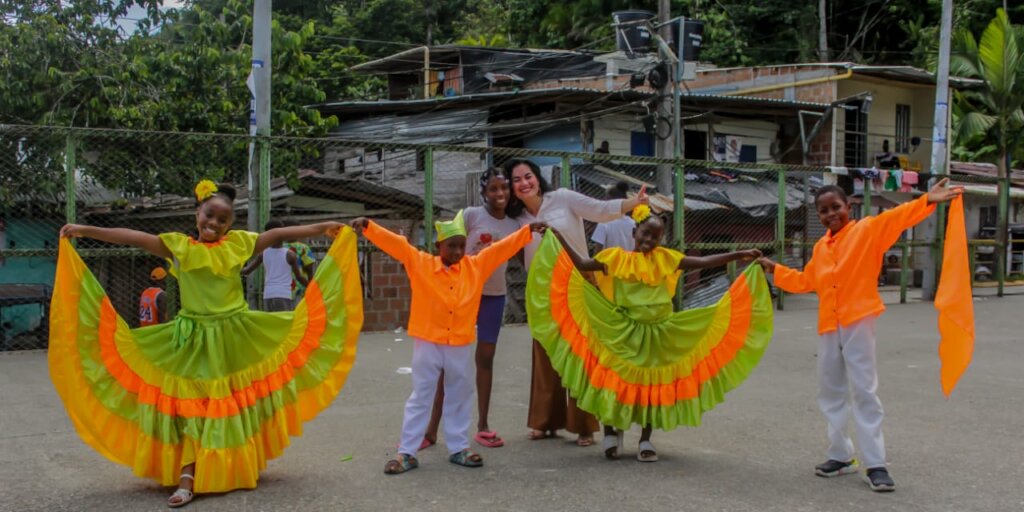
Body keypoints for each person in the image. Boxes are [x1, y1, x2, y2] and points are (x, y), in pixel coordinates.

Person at [51, 180, 362, 507]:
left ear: (230, 224)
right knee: (191, 406)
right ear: (197, 212)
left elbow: (280, 235)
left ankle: (226, 466)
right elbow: (134, 237)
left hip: (234, 337)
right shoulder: (179, 247)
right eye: (209, 216)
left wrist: (325, 226)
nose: (213, 224)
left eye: (222, 220)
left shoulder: (239, 244)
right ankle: (187, 475)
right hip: (193, 341)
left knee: (229, 404)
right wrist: (86, 230)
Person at [757, 178, 963, 493]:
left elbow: (898, 217)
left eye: (836, 207)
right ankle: (840, 456)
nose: (830, 215)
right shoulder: (820, 247)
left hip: (858, 321)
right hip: (829, 325)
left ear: (848, 206)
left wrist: (928, 200)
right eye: (823, 211)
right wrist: (774, 269)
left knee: (865, 391)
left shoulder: (867, 230)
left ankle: (876, 464)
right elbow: (806, 281)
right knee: (830, 391)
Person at [530, 205, 771, 461]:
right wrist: (557, 237)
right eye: (645, 234)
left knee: (650, 385)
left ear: (661, 239)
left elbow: (702, 261)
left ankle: (645, 439)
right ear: (634, 231)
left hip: (658, 332)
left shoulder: (666, 258)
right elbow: (581, 263)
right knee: (615, 381)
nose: (648, 241)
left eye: (655, 237)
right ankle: (612, 431)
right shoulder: (614, 258)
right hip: (623, 330)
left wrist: (738, 255)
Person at [350, 211, 545, 474]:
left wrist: (528, 231)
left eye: (461, 246)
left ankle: (458, 448)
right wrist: (369, 228)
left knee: (459, 394)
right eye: (451, 246)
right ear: (437, 246)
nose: (457, 251)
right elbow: (398, 246)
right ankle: (407, 452)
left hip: (459, 344)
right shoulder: (420, 263)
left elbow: (502, 248)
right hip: (427, 342)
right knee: (421, 395)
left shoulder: (475, 266)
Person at [505, 158, 648, 447]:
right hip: (543, 291)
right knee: (545, 353)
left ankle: (585, 426)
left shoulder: (563, 199)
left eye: (528, 176)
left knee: (581, 354)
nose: (524, 183)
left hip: (577, 283)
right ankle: (544, 423)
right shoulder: (516, 219)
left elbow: (600, 210)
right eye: (517, 179)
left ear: (537, 178)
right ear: (512, 187)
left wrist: (633, 203)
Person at [423, 168, 521, 450]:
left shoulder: (515, 225)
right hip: (463, 296)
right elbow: (447, 246)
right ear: (484, 192)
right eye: (493, 189)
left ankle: (483, 426)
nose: (500, 194)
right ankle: (431, 430)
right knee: (448, 363)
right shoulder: (470, 216)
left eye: (504, 188)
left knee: (486, 360)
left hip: (494, 296)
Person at [241, 219, 309, 312]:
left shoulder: (263, 253)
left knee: (271, 324)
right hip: (283, 295)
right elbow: (299, 277)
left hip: (268, 295)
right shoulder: (290, 254)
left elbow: (247, 271)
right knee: (283, 324)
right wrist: (312, 287)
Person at [591, 182, 637, 253]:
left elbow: (597, 253)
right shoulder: (634, 224)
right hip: (629, 263)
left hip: (609, 263)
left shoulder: (604, 223)